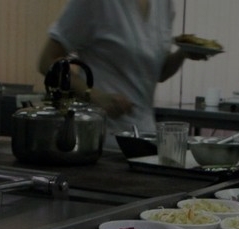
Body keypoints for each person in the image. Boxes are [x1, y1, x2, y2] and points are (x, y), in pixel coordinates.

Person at [37, 0, 204, 143]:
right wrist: (95, 95)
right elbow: (47, 61)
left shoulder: (164, 4)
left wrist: (182, 53)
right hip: (101, 137)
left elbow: (158, 73)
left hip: (145, 136)